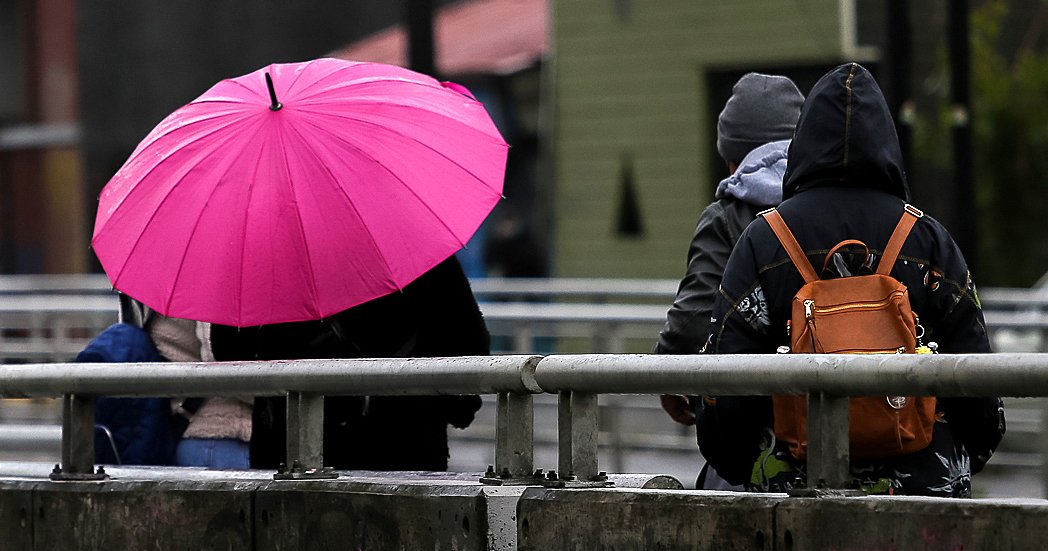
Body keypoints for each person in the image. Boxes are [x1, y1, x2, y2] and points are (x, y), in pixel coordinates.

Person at [699, 63, 1006, 497]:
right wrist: (954, 461)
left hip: (792, 497)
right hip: (921, 500)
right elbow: (981, 387)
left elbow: (722, 394)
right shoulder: (926, 238)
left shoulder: (764, 240)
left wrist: (749, 464)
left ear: (804, 141)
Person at [653, 72, 804, 489]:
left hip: (762, 444)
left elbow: (692, 323)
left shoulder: (729, 215)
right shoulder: (844, 201)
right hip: (870, 428)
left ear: (732, 156)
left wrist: (668, 370)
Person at [209, 255, 486, 471]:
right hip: (403, 443)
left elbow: (229, 352)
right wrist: (451, 409)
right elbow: (469, 342)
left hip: (290, 450)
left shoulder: (261, 256)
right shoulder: (412, 247)